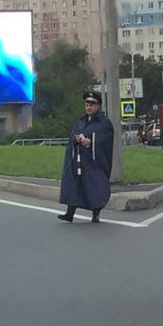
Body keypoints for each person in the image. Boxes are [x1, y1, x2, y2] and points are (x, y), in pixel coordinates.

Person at [58, 89, 115, 224]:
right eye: (87, 105)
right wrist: (76, 139)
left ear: (98, 106)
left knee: (96, 186)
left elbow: (106, 139)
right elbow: (73, 135)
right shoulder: (80, 121)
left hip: (94, 162)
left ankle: (96, 215)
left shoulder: (104, 122)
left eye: (92, 104)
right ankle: (69, 213)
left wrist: (92, 141)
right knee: (74, 185)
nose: (89, 107)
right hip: (79, 161)